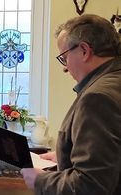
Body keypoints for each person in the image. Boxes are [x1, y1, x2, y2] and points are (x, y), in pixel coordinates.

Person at [21, 14, 121, 195]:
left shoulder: (97, 97)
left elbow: (90, 185)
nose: (64, 67)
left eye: (64, 57)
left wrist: (39, 180)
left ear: (84, 51)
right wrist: (66, 157)